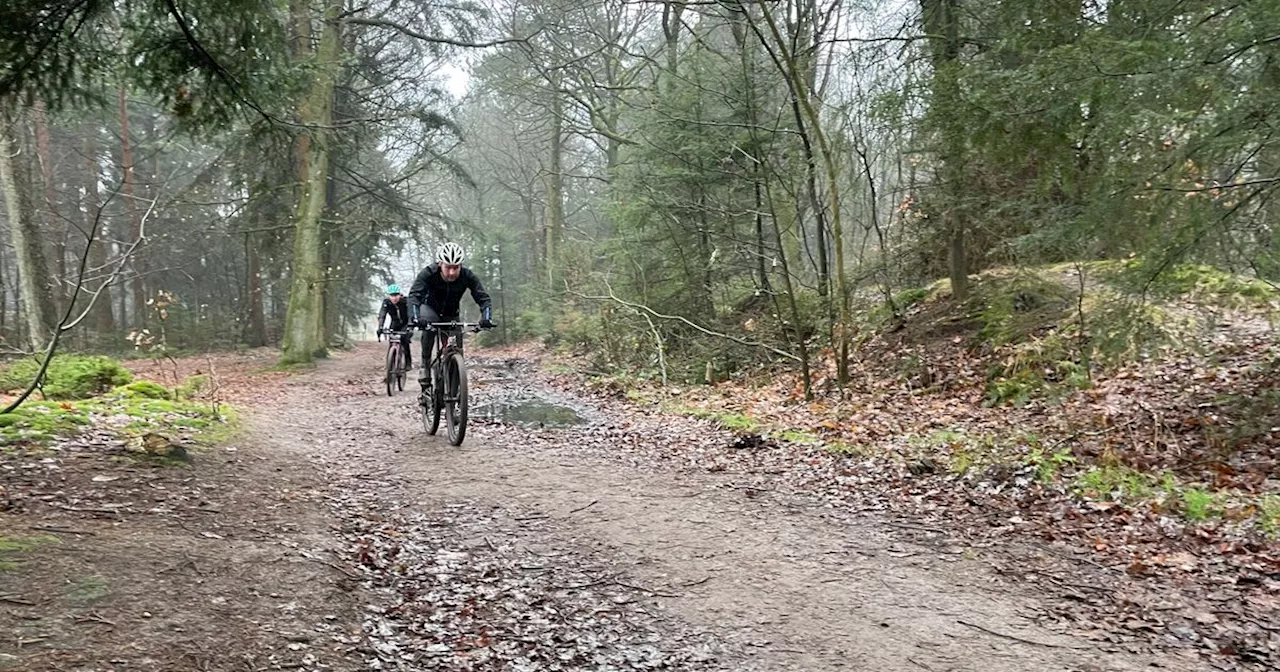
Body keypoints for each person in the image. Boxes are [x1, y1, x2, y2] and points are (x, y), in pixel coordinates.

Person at [408, 243, 494, 387]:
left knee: (457, 348)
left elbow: (483, 298)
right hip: (430, 309)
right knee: (429, 328)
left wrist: (486, 318)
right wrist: (416, 318)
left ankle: (454, 386)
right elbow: (414, 296)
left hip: (451, 314)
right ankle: (425, 365)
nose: (452, 272)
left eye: (456, 268)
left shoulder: (467, 276)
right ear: (440, 264)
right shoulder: (428, 273)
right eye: (448, 267)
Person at [376, 284, 413, 369]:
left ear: (400, 295)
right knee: (392, 341)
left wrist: (410, 327)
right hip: (395, 323)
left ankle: (408, 362)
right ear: (388, 296)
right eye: (392, 295)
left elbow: (411, 314)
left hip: (406, 323)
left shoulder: (405, 301)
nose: (394, 298)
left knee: (404, 340)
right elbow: (382, 315)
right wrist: (380, 327)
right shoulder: (386, 302)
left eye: (396, 295)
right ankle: (389, 364)